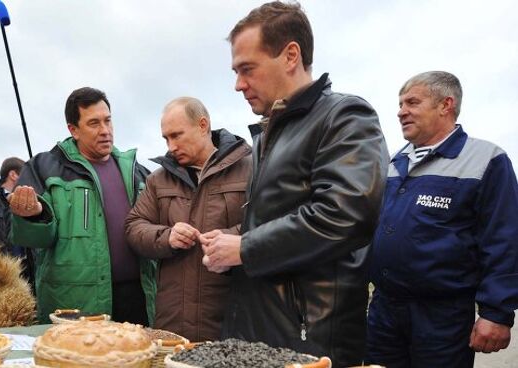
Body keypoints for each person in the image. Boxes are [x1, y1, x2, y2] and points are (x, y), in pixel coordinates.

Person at [199, 2, 388, 366]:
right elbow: (278, 217)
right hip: (258, 328)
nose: (238, 84)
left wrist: (245, 248)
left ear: (290, 56)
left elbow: (346, 213)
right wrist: (232, 242)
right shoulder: (269, 134)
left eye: (247, 69)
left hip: (309, 338)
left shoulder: (346, 117)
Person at [366, 71, 518, 367]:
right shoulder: (394, 163)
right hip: (384, 311)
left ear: (445, 105)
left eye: (412, 102)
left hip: (442, 317)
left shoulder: (485, 160)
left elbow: (504, 239)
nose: (400, 112)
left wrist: (496, 313)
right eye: (399, 104)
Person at [7, 87, 156, 325]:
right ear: (73, 130)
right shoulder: (44, 167)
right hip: (76, 304)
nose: (105, 131)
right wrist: (34, 215)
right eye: (94, 123)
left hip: (138, 299)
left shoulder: (137, 171)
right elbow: (32, 239)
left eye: (108, 121)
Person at [125, 97, 252, 342]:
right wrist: (166, 236)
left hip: (232, 321)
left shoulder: (251, 169)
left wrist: (232, 239)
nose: (171, 146)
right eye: (166, 138)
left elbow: (269, 223)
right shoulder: (157, 180)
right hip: (172, 325)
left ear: (203, 125)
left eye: (177, 135)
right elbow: (133, 227)